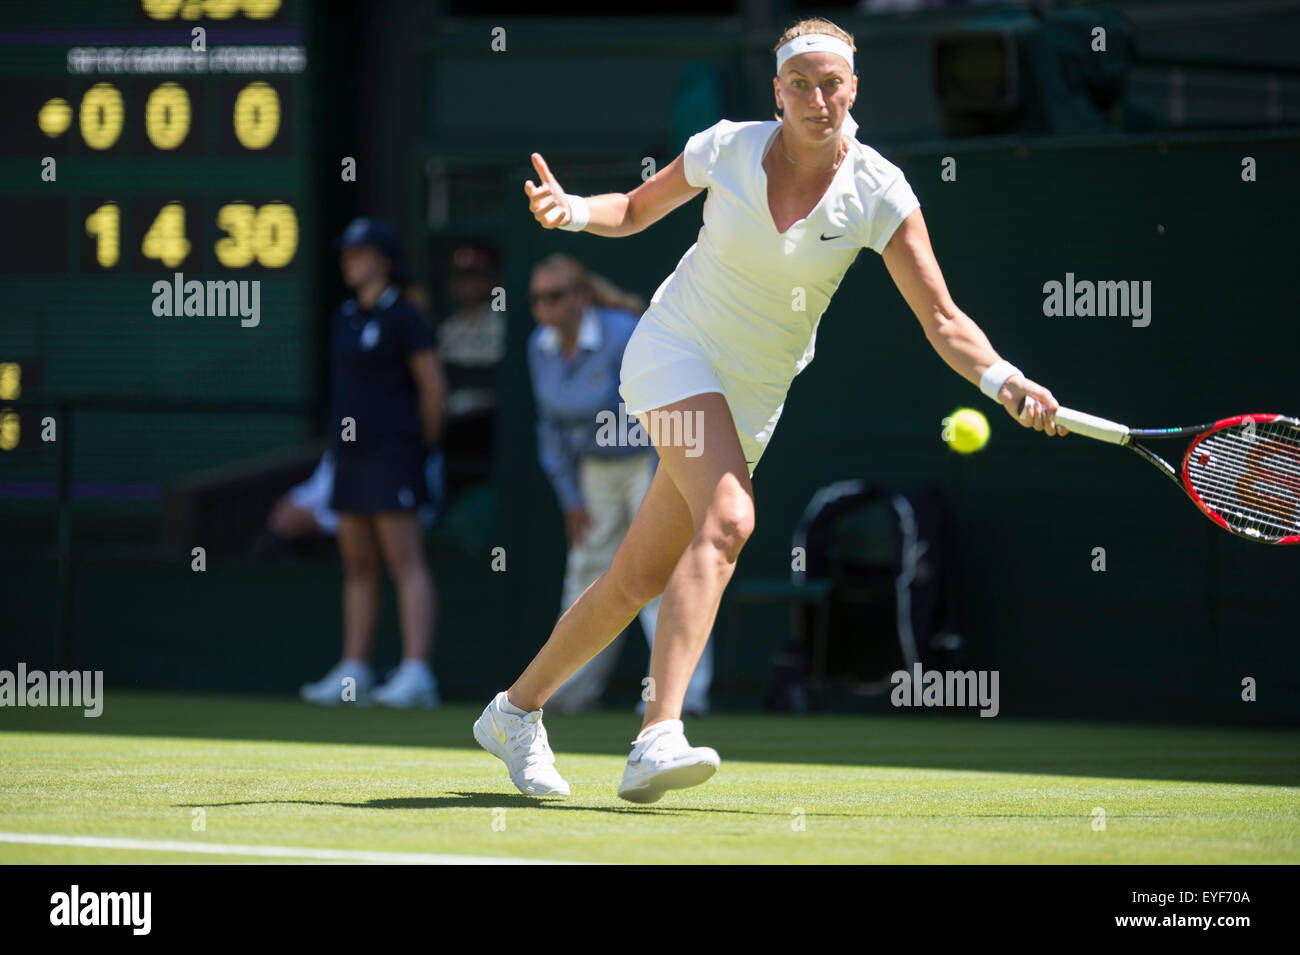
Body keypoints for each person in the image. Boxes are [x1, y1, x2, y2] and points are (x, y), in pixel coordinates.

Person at [473, 18, 1067, 802]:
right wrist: (574, 212)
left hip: (754, 394)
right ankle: (658, 733)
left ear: (854, 89)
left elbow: (944, 319)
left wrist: (1003, 379)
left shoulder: (880, 191)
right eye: (800, 84)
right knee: (730, 516)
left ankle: (515, 712)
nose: (818, 99)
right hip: (673, 352)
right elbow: (634, 210)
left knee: (634, 577)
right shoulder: (725, 147)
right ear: (777, 91)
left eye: (833, 84)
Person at [526, 253, 712, 716]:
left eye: (555, 296)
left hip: (651, 460)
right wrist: (570, 497)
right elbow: (549, 426)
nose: (545, 308)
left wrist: (660, 482)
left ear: (581, 296)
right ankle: (568, 692)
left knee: (659, 573)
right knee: (586, 572)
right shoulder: (538, 346)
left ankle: (682, 694)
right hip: (593, 470)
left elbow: (664, 402)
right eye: (536, 299)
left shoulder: (623, 335)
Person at [299, 216, 448, 709]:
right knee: (358, 566)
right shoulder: (345, 316)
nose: (348, 262)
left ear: (383, 260)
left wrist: (416, 449)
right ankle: (355, 671)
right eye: (345, 254)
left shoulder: (406, 316)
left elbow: (433, 390)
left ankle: (416, 672)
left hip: (394, 456)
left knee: (405, 562)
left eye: (358, 253)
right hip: (350, 458)